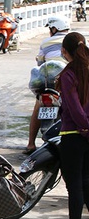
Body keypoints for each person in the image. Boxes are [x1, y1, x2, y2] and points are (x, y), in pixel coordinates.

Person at [49, 32, 89, 219]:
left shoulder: (68, 75)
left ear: (64, 51)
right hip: (86, 135)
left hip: (73, 135)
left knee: (74, 185)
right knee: (87, 182)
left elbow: (74, 108)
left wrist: (84, 126)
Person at [24, 15, 70, 153]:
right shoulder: (72, 41)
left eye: (51, 29)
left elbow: (40, 62)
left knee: (37, 107)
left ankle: (31, 144)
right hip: (67, 83)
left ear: (55, 29)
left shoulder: (45, 42)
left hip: (46, 84)